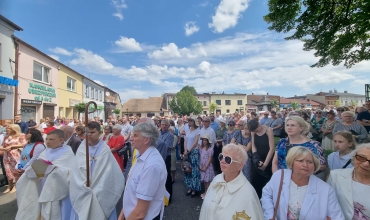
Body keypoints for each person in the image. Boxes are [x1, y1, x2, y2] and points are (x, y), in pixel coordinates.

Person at [261, 146, 344, 219]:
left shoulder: (326, 190)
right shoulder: (279, 176)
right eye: (300, 161)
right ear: (291, 162)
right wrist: (270, 216)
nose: (305, 165)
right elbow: (267, 195)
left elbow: (336, 216)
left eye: (309, 162)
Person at [70, 122, 125, 220]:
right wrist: (82, 183)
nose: (89, 135)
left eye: (92, 132)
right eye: (87, 132)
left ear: (99, 133)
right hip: (83, 185)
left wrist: (99, 186)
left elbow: (110, 171)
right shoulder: (82, 148)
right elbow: (76, 168)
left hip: (100, 186)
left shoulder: (104, 149)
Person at [16, 129, 75, 220]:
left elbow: (70, 170)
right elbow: (36, 167)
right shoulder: (45, 152)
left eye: (51, 139)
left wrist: (55, 169)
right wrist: (29, 170)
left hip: (58, 186)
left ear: (61, 140)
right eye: (46, 139)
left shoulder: (68, 152)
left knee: (58, 209)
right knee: (40, 206)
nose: (48, 142)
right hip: (42, 183)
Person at [199, 144, 264, 220]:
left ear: (240, 166)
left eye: (228, 159)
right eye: (221, 157)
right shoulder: (216, 179)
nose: (222, 161)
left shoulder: (248, 194)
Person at [119, 121, 167, 220]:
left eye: (135, 136)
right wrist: (122, 215)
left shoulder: (151, 165)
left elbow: (140, 213)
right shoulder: (141, 156)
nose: (131, 138)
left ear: (146, 140)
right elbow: (132, 193)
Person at [327, 143, 370, 219]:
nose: (366, 164)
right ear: (354, 157)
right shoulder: (335, 176)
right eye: (361, 158)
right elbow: (327, 203)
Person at [247, 118, 275, 198]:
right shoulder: (253, 132)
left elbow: (272, 148)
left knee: (266, 184)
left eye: (257, 130)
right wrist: (256, 158)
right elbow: (253, 145)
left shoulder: (268, 130)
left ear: (259, 124)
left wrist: (265, 164)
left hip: (268, 159)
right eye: (254, 131)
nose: (256, 132)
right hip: (257, 160)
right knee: (256, 183)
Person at [0, 124, 27, 193]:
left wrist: (13, 146)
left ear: (14, 129)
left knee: (16, 170)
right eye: (7, 128)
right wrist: (3, 148)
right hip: (6, 155)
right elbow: (3, 145)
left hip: (16, 154)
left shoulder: (21, 135)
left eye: (9, 129)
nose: (7, 130)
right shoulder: (6, 136)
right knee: (8, 170)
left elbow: (24, 144)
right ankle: (10, 186)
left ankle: (16, 186)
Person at [184, 116, 201, 197]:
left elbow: (195, 143)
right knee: (187, 170)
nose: (190, 122)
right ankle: (190, 187)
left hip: (193, 152)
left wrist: (188, 151)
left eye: (191, 120)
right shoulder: (187, 130)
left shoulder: (197, 131)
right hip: (187, 152)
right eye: (189, 120)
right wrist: (185, 151)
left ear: (194, 122)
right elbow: (185, 141)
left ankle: (194, 189)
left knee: (194, 171)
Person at [159, 119, 174, 203]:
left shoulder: (170, 135)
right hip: (157, 157)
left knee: (167, 176)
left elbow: (166, 147)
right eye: (163, 124)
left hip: (166, 157)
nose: (164, 126)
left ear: (168, 126)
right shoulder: (158, 133)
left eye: (166, 125)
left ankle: (168, 197)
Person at [198, 135, 214, 199]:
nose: (204, 141)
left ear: (208, 141)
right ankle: (205, 191)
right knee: (205, 180)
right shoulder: (201, 148)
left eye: (206, 140)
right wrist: (200, 165)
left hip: (207, 166)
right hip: (202, 165)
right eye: (203, 140)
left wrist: (206, 167)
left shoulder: (210, 149)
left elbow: (210, 159)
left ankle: (208, 192)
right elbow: (200, 157)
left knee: (207, 181)